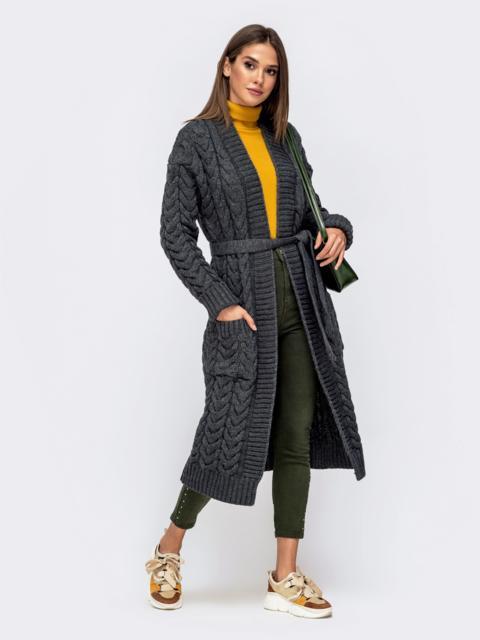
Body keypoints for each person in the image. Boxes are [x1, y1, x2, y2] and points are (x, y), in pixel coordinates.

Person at [145, 23, 366, 618]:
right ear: (226, 65)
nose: (260, 79)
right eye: (250, 65)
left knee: (296, 433)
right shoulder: (196, 140)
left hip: (303, 303)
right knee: (224, 432)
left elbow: (311, 211)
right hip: (243, 309)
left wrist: (338, 229)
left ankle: (285, 575)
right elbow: (174, 234)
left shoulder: (284, 137)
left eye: (271, 71)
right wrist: (219, 300)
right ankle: (169, 547)